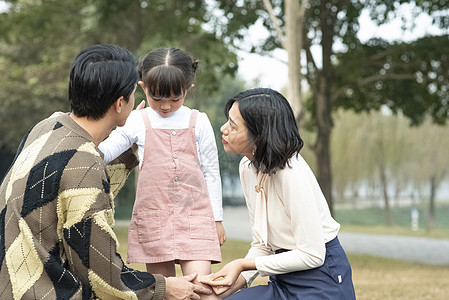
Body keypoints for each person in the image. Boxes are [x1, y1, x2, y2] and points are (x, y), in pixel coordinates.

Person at [0, 44, 212, 300]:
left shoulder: (47, 128)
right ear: (120, 103)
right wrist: (165, 288)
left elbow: (79, 182)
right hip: (44, 290)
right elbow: (103, 276)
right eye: (135, 91)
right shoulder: (83, 162)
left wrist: (131, 147)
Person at [201, 88, 356, 299]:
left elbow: (313, 255)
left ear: (260, 136)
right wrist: (226, 288)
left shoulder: (291, 173)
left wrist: (242, 264)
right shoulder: (247, 167)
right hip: (281, 280)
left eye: (233, 125)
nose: (223, 128)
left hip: (321, 281)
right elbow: (263, 245)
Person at [99, 47, 225, 299]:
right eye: (157, 98)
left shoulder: (198, 121)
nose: (166, 106)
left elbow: (211, 171)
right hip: (154, 219)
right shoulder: (136, 121)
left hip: (196, 218)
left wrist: (217, 219)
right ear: (142, 87)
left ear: (188, 87)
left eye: (174, 98)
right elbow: (105, 151)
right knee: (165, 292)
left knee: (202, 291)